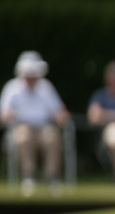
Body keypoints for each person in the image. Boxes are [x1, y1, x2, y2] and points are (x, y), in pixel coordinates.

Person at [1, 51, 69, 197]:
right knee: (24, 136)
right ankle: (29, 177)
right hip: (21, 128)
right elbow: (4, 115)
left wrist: (60, 116)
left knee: (52, 136)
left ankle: (51, 177)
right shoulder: (11, 88)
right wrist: (9, 116)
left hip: (44, 128)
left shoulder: (46, 87)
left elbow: (60, 112)